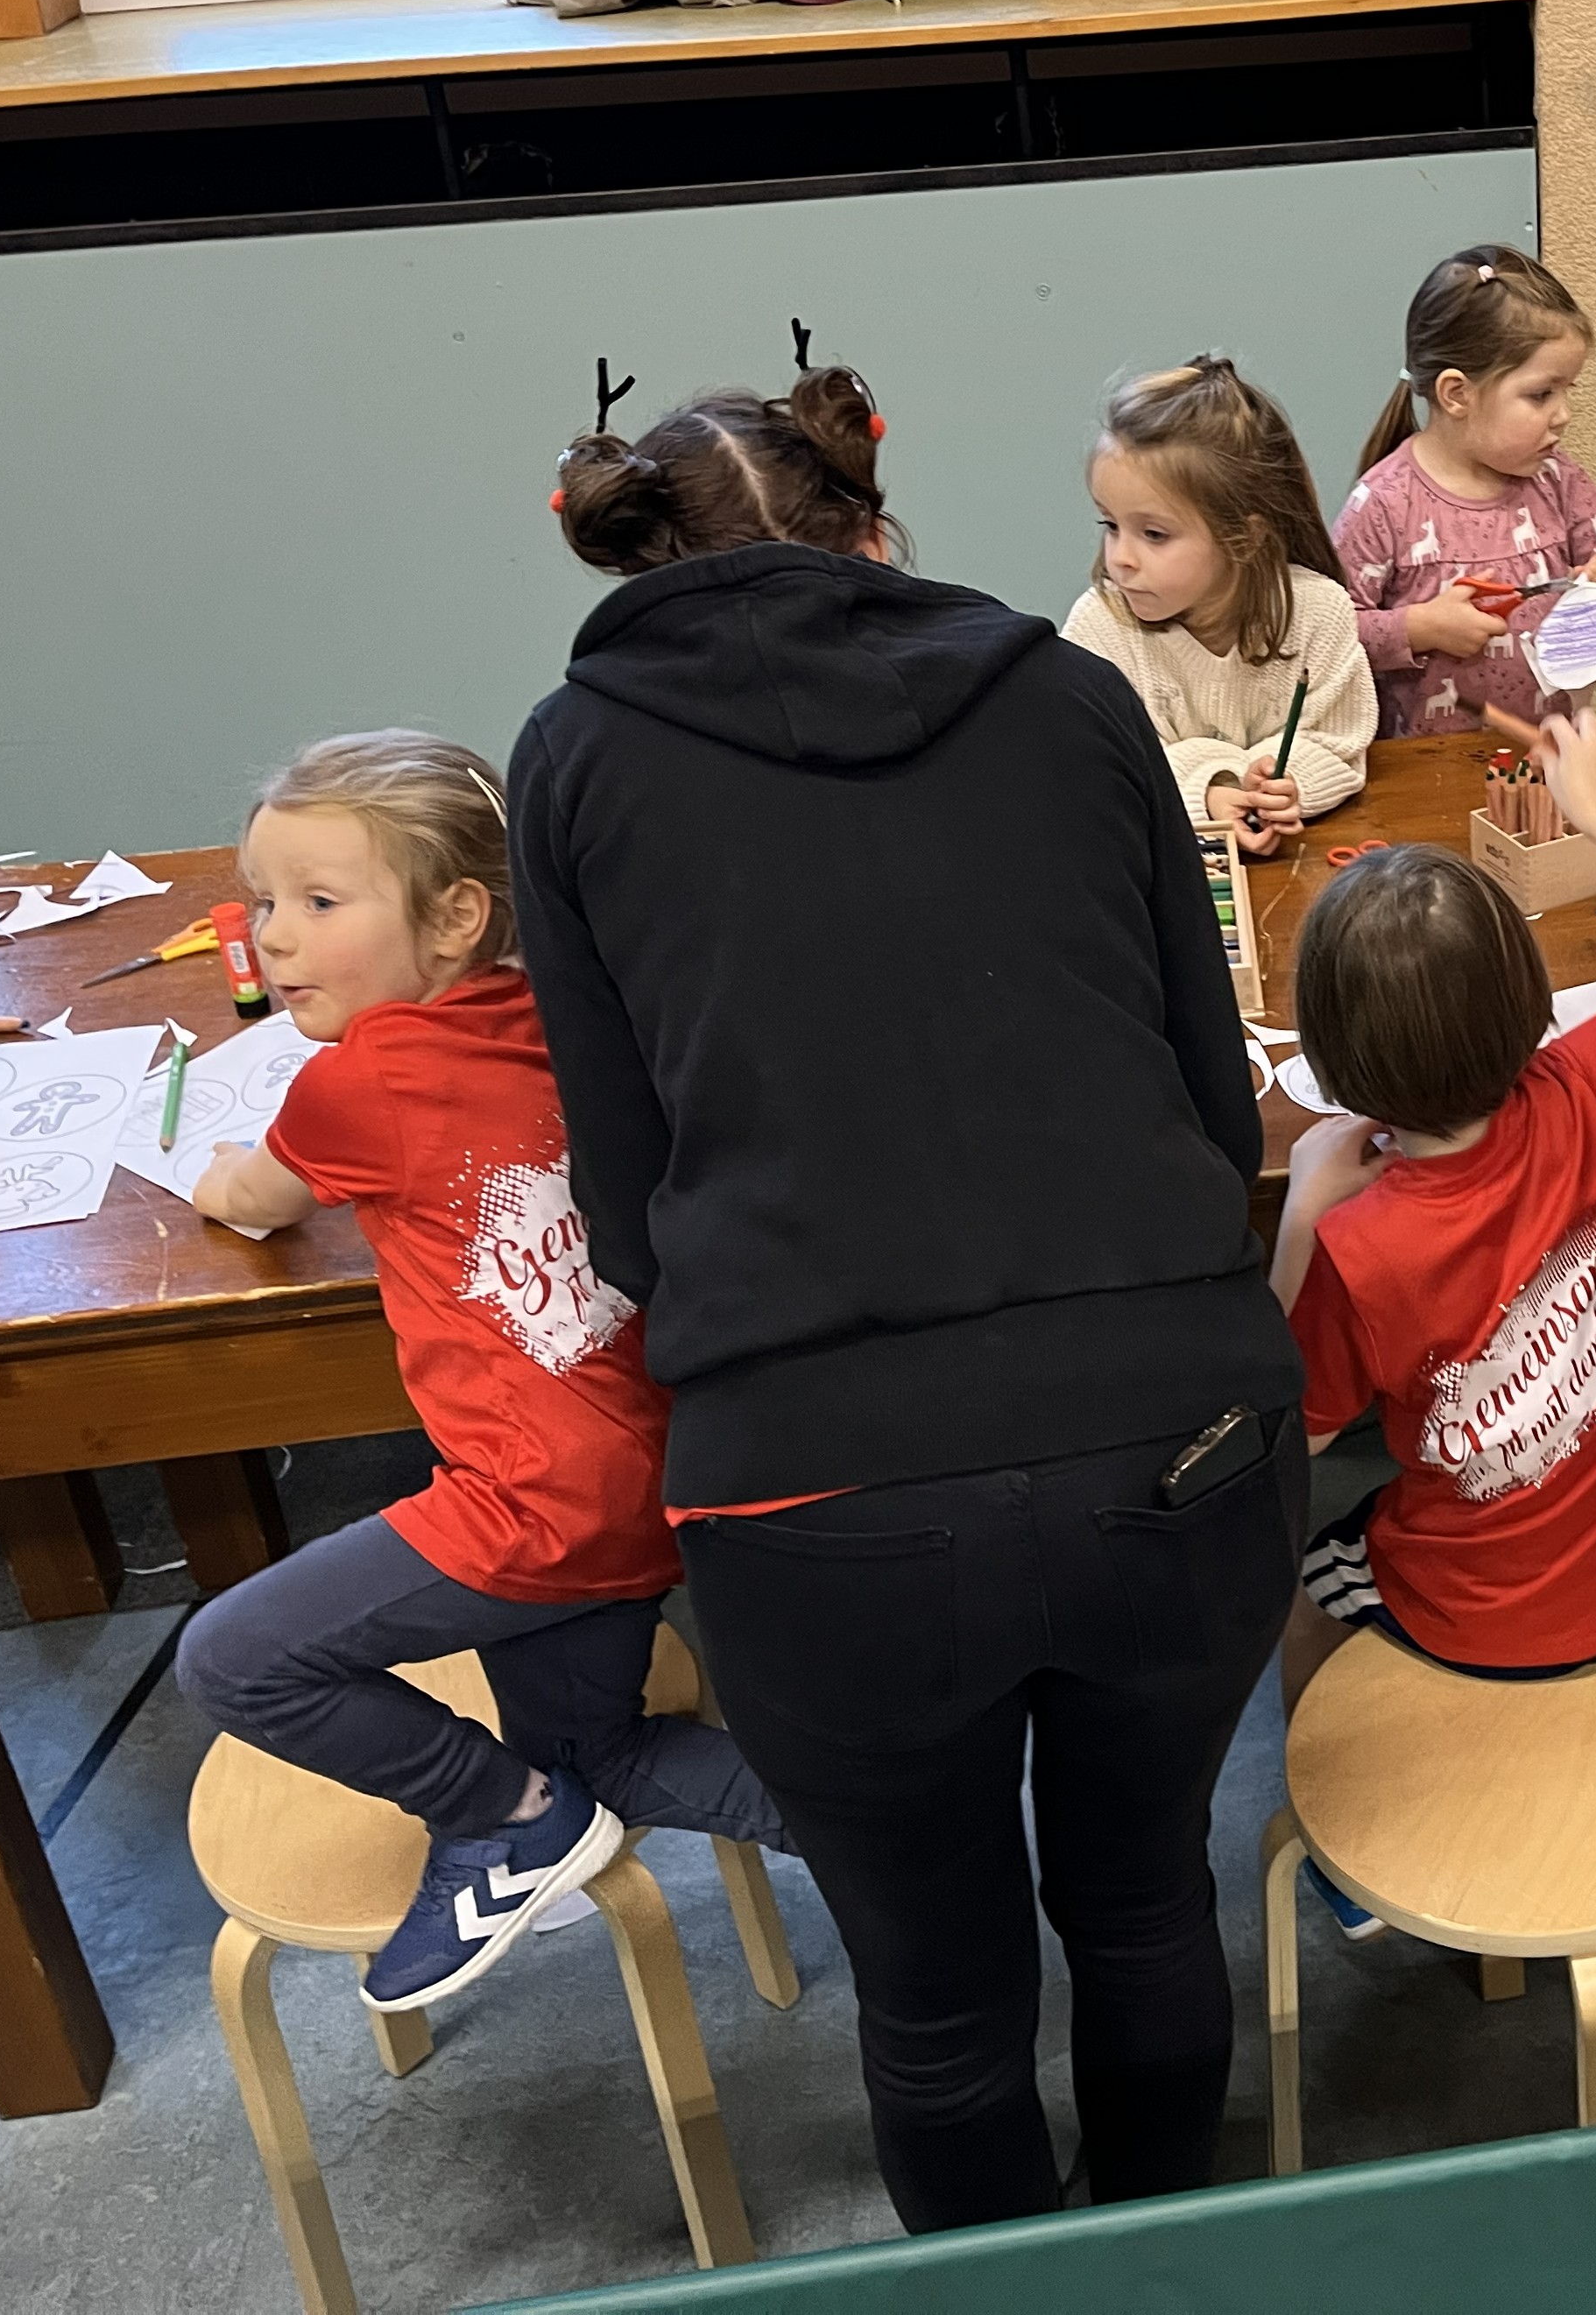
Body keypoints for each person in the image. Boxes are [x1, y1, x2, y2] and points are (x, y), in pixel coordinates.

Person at [509, 352, 1307, 2230]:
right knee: (1145, 1900)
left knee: (936, 1996)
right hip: (1172, 1421)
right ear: (874, 533)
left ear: (635, 565)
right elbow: (1215, 1097)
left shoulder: (577, 754)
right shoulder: (1074, 691)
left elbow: (624, 1193)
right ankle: (1164, 2270)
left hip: (817, 1481)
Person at [179, 730, 787, 2015]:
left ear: (457, 916)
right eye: (264, 901)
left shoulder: (357, 1085)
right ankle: (883, 1824)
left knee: (232, 1659)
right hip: (658, 1470)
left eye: (319, 903)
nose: (273, 939)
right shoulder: (574, 1013)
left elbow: (254, 1201)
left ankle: (502, 1817)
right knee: (602, 1758)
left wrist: (218, 1173)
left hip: (534, 1506)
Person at [1264, 709, 1596, 1936]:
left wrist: (1300, 1220)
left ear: (1333, 1061)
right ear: (1530, 1000)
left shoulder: (1357, 1246)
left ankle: (1353, 1857)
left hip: (1476, 1619)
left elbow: (1276, 1439)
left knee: (1302, 1590)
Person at [1062, 356, 1378, 859]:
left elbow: (1339, 741)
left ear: (1244, 538)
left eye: (1153, 534)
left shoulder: (1320, 611)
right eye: (1111, 525)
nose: (1120, 558)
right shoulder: (1099, 628)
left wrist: (1284, 783)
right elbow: (1096, 768)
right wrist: (1210, 788)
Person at [1337, 246, 1596, 737]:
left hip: (1551, 758)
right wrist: (1419, 627)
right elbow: (1328, 632)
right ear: (1457, 394)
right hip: (1421, 768)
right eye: (1541, 394)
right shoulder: (1383, 503)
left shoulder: (1560, 481)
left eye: (1568, 391)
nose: (1563, 415)